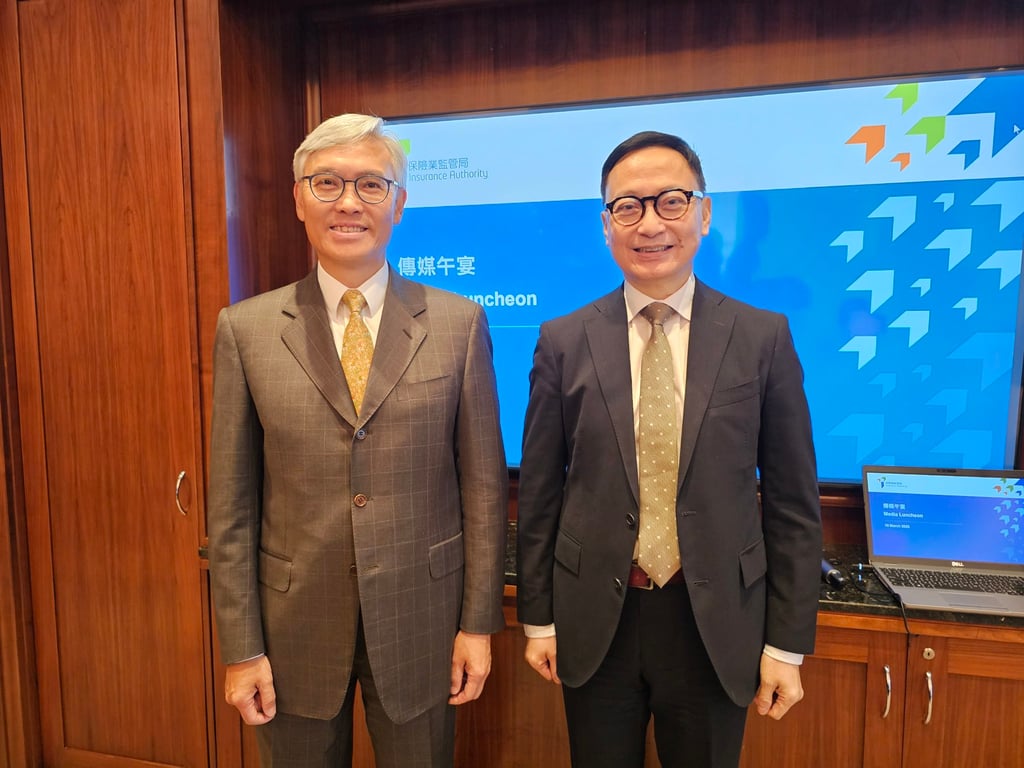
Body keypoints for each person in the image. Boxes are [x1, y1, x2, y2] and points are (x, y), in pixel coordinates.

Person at [208, 113, 508, 768]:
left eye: (371, 184)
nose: (349, 202)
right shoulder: (246, 329)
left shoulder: (458, 325)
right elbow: (231, 512)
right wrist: (242, 648)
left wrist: (477, 624)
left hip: (422, 624)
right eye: (328, 183)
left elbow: (483, 492)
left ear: (399, 203)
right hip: (291, 633)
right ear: (298, 198)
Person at [515, 130, 823, 768]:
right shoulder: (563, 340)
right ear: (606, 225)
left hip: (714, 622)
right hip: (597, 619)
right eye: (627, 206)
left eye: (671, 202)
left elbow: (793, 506)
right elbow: (542, 494)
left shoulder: (762, 337)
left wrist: (787, 646)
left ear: (704, 214)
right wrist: (538, 618)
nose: (649, 222)